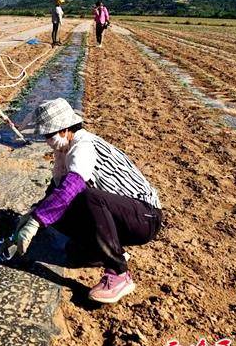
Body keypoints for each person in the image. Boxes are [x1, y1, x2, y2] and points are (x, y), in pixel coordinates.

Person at [14, 98, 162, 304]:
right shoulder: (64, 150)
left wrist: (37, 221)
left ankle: (119, 272)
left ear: (65, 129)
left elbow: (74, 184)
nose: (47, 140)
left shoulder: (84, 146)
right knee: (56, 207)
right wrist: (33, 214)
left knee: (82, 196)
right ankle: (96, 251)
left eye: (50, 134)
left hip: (145, 217)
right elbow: (56, 191)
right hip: (122, 214)